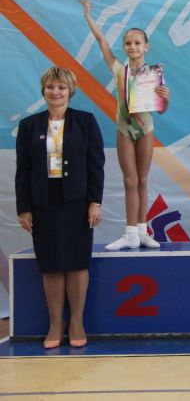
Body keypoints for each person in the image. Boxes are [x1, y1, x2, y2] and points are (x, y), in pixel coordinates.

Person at [16, 67, 104, 349]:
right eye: (51, 87)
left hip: (77, 203)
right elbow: (23, 171)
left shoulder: (86, 121)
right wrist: (24, 208)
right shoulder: (29, 126)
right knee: (51, 266)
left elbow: (96, 165)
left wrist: (95, 202)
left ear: (71, 91)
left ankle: (77, 322)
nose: (56, 92)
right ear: (43, 91)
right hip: (43, 203)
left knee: (77, 264)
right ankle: (56, 324)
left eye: (61, 87)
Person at [80, 0, 170, 250]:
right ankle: (130, 233)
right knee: (129, 181)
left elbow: (161, 111)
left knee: (142, 180)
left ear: (146, 47)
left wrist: (166, 98)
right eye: (128, 43)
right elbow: (101, 41)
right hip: (124, 128)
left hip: (146, 129)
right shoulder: (119, 69)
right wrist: (88, 15)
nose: (132, 46)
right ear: (124, 47)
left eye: (137, 43)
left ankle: (142, 231)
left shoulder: (154, 76)